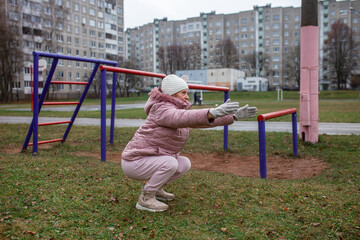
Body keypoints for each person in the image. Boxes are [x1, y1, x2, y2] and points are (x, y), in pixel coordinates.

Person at [121, 74, 257, 212]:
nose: (187, 96)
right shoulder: (161, 109)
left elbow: (196, 121)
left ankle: (155, 189)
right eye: (183, 93)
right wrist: (211, 112)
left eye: (187, 93)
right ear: (172, 94)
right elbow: (182, 118)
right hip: (134, 161)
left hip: (149, 158)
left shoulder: (176, 110)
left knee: (183, 163)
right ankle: (146, 198)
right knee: (170, 163)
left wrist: (232, 117)